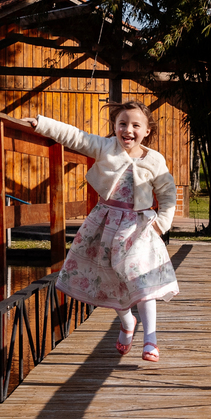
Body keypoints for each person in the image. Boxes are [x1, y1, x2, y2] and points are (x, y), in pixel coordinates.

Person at [26, 101, 179, 362]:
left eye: (135, 125)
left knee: (142, 279)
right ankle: (127, 322)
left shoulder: (154, 160)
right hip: (105, 225)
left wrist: (160, 223)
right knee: (111, 278)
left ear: (147, 131)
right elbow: (75, 136)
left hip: (138, 228)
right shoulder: (105, 147)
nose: (127, 130)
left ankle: (150, 339)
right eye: (122, 124)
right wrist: (42, 124)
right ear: (115, 127)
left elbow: (167, 193)